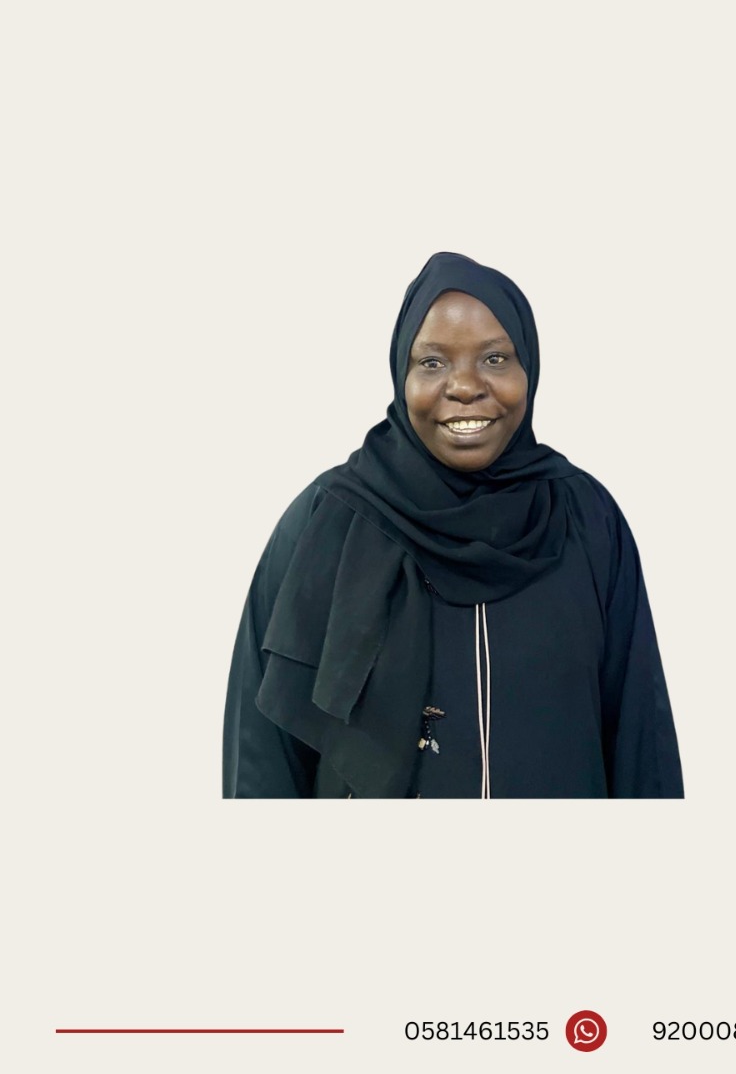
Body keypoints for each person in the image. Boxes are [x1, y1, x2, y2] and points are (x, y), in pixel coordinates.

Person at [223, 251, 684, 799]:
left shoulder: (586, 520)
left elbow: (641, 743)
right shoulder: (328, 522)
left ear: (529, 369)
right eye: (432, 362)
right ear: (401, 374)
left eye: (495, 358)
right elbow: (263, 752)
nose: (465, 386)